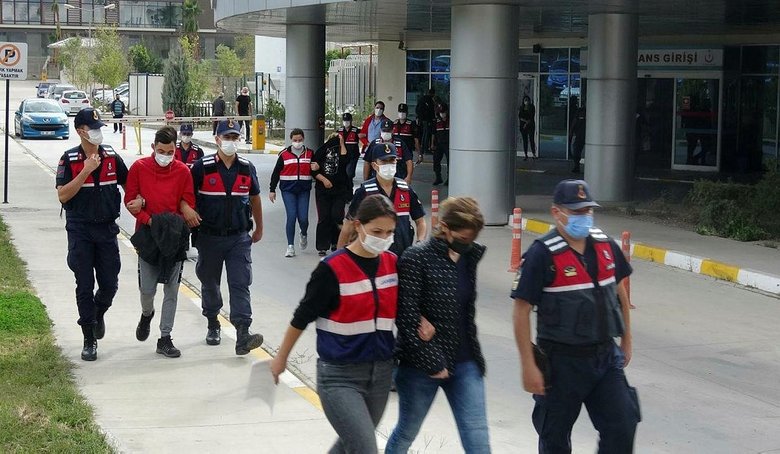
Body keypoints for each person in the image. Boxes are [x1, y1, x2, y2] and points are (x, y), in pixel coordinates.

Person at [511, 179, 640, 454]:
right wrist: (528, 365)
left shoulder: (605, 245)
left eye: (587, 210)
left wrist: (627, 340)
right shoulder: (541, 253)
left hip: (605, 357)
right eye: (576, 211)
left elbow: (620, 292)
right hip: (561, 362)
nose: (584, 216)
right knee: (554, 438)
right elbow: (521, 310)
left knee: (623, 424)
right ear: (557, 212)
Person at [270, 195, 401, 454]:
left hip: (381, 374)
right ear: (358, 226)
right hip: (340, 376)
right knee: (365, 449)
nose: (384, 238)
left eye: (389, 232)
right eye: (377, 231)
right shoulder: (332, 269)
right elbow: (302, 316)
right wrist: (281, 358)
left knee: (350, 445)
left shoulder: (392, 264)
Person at [385, 197, 490, 454]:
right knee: (407, 432)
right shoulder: (416, 258)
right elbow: (406, 315)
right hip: (420, 365)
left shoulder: (468, 258)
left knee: (478, 438)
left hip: (465, 362)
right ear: (445, 227)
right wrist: (434, 362)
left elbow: (465, 312)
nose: (468, 243)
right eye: (463, 238)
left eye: (472, 238)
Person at [55, 108, 128, 361]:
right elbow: (62, 195)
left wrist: (138, 201)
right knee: (84, 285)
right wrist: (85, 170)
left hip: (106, 229)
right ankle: (89, 338)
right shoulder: (69, 159)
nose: (97, 132)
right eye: (92, 128)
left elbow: (129, 185)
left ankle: (98, 314)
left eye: (99, 127)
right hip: (80, 230)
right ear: (80, 131)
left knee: (110, 284)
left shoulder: (111, 157)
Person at [190, 119, 265, 355]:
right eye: (227, 137)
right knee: (210, 283)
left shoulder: (246, 167)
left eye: (235, 137)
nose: (231, 141)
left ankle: (243, 333)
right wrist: (188, 213)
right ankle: (213, 322)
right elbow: (187, 196)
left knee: (240, 283)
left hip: (238, 238)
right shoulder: (201, 167)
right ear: (217, 139)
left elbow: (255, 198)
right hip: (209, 237)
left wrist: (259, 227)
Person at [124, 126, 197, 358]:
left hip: (174, 237)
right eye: (161, 151)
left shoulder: (183, 171)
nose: (165, 156)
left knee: (172, 289)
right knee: (147, 289)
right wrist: (149, 220)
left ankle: (165, 337)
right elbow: (130, 201)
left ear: (176, 150)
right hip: (148, 236)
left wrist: (183, 215)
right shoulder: (139, 168)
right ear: (153, 147)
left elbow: (188, 201)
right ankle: (147, 314)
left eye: (170, 152)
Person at [338, 144, 427, 256]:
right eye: (384, 161)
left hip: (403, 255)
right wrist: (339, 256)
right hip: (372, 256)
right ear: (374, 165)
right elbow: (348, 226)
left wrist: (420, 242)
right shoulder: (365, 191)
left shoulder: (405, 190)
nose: (388, 165)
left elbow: (420, 221)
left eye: (392, 160)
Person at [269, 128, 315, 258]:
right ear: (291, 140)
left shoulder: (310, 153)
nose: (297, 142)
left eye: (300, 140)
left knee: (303, 219)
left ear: (303, 139)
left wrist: (317, 168)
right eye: (295, 140)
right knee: (291, 216)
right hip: (288, 190)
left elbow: (316, 170)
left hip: (303, 190)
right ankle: (290, 246)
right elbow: (276, 173)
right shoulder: (284, 154)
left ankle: (303, 233)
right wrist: (272, 190)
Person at [312, 133, 358, 256]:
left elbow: (345, 160)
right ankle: (322, 246)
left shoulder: (343, 150)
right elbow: (313, 170)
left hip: (339, 190)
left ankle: (335, 242)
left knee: (337, 216)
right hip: (323, 191)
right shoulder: (321, 151)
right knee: (324, 217)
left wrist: (342, 143)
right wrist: (324, 180)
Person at [363, 118, 413, 183]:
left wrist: (409, 177)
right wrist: (366, 180)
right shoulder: (374, 144)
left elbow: (409, 161)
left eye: (388, 131)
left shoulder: (400, 144)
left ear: (392, 131)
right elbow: (367, 162)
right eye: (384, 131)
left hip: (397, 178)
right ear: (380, 130)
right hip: (377, 179)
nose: (386, 133)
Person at [337, 112, 361, 183]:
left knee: (349, 173)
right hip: (342, 156)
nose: (346, 122)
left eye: (347, 120)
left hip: (352, 156)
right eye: (344, 120)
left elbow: (362, 137)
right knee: (342, 173)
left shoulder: (356, 130)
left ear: (351, 121)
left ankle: (349, 186)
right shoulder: (339, 130)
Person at [416, 88, 437, 161]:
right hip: (427, 119)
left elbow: (417, 109)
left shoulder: (422, 99)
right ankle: (425, 149)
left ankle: (423, 148)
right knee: (427, 134)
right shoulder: (429, 100)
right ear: (432, 93)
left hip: (422, 119)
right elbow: (431, 110)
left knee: (424, 134)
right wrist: (433, 118)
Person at [431, 104, 450, 186]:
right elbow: (433, 133)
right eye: (440, 112)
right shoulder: (437, 121)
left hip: (448, 144)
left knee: (449, 161)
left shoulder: (451, 120)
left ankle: (449, 178)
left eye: (443, 112)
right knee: (436, 160)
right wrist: (432, 144)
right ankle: (438, 177)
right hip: (439, 144)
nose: (442, 114)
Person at [519, 95, 537, 160]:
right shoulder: (522, 108)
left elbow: (532, 116)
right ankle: (525, 154)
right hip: (523, 126)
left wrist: (526, 123)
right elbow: (520, 117)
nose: (526, 102)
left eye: (527, 100)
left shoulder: (532, 107)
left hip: (530, 125)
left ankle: (534, 154)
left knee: (531, 139)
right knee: (525, 140)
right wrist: (524, 122)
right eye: (525, 100)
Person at [569, 106, 586, 173]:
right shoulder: (581, 117)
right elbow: (573, 126)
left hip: (580, 137)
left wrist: (571, 134)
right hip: (580, 137)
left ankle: (577, 166)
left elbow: (573, 126)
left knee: (576, 151)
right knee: (576, 151)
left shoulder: (578, 117)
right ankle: (577, 166)